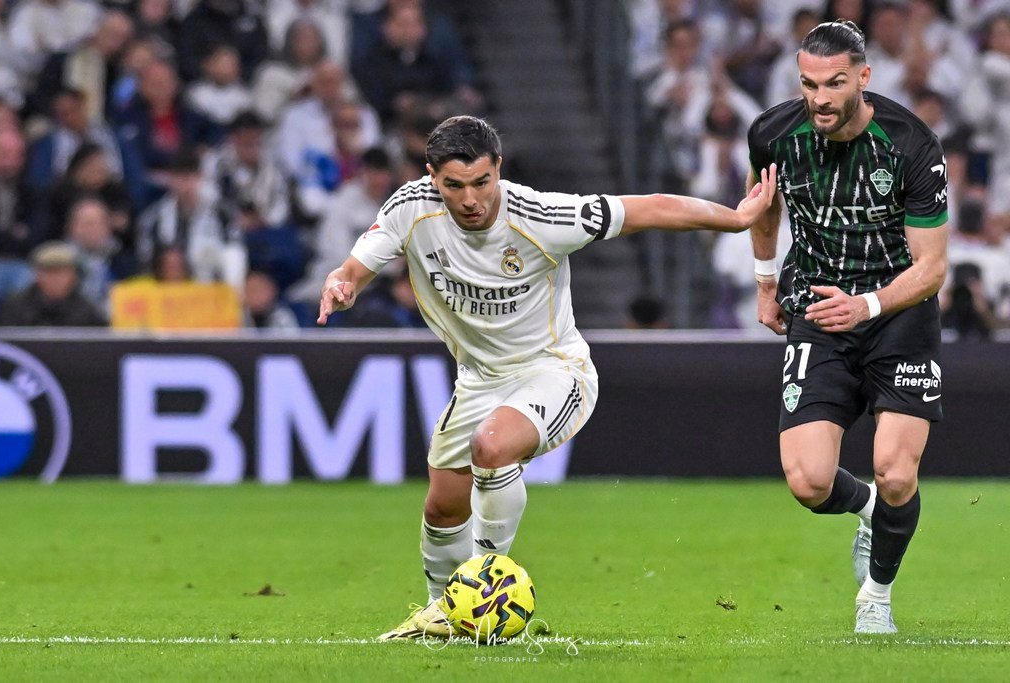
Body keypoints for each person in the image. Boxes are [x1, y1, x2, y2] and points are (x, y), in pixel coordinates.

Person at [317, 115, 777, 640]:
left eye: (481, 182)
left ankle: (484, 588)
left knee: (491, 447)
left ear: (498, 168)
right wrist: (342, 286)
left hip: (554, 371)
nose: (470, 199)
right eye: (454, 186)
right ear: (431, 176)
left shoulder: (541, 216)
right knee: (442, 506)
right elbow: (353, 269)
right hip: (479, 378)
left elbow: (648, 207)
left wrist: (734, 219)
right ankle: (440, 610)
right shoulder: (410, 208)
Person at [746, 21, 949, 634]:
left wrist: (868, 305)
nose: (820, 98)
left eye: (834, 83)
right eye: (809, 84)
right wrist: (765, 281)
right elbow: (763, 204)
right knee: (808, 482)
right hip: (817, 309)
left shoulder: (911, 144)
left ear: (864, 76)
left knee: (897, 470)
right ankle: (870, 511)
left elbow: (933, 268)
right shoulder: (774, 133)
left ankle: (876, 597)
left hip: (898, 312)